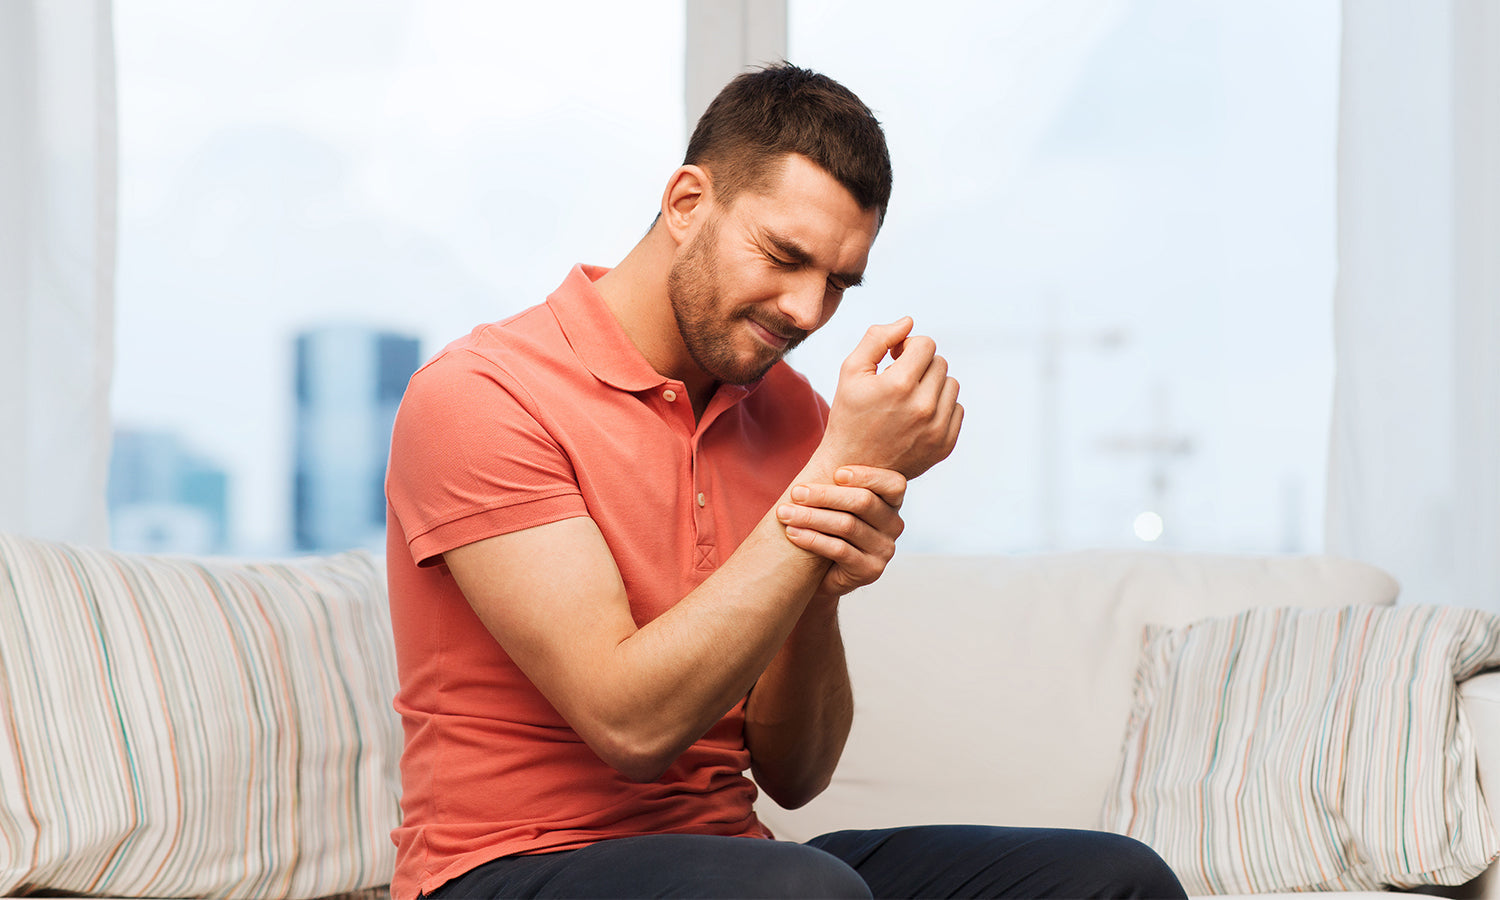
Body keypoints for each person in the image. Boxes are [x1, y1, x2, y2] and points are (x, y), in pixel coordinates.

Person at [385, 63, 1186, 900]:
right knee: (803, 893)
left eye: (838, 281)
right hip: (504, 867)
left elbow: (795, 776)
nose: (807, 310)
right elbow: (629, 723)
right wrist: (829, 479)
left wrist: (823, 585)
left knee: (1113, 879)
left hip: (739, 860)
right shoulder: (481, 396)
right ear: (688, 203)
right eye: (783, 255)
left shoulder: (793, 417)